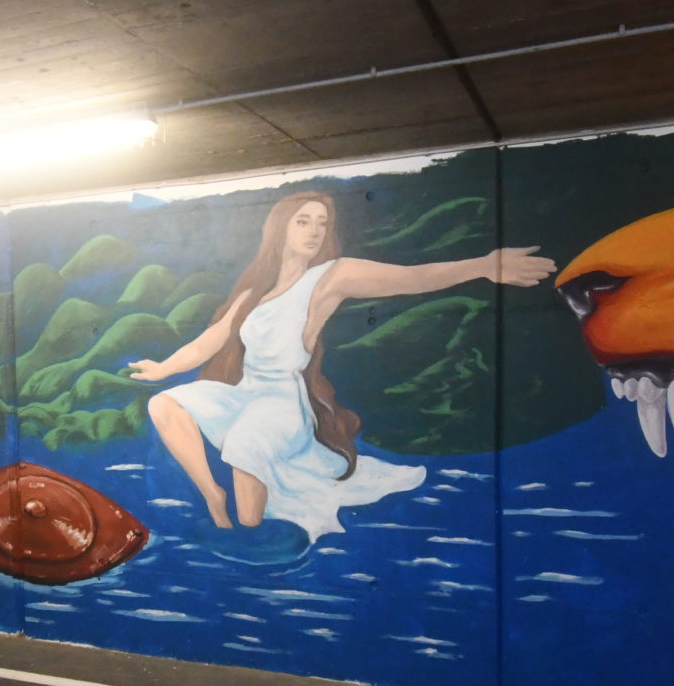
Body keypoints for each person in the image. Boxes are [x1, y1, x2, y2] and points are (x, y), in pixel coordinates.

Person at [127, 191, 555, 539]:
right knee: (165, 404)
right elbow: (209, 341)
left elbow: (412, 278)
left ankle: (253, 534)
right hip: (246, 394)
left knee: (246, 444)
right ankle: (213, 497)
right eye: (303, 221)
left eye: (322, 223)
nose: (315, 231)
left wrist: (482, 266)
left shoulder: (332, 275)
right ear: (280, 228)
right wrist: (163, 369)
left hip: (281, 403)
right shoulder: (255, 294)